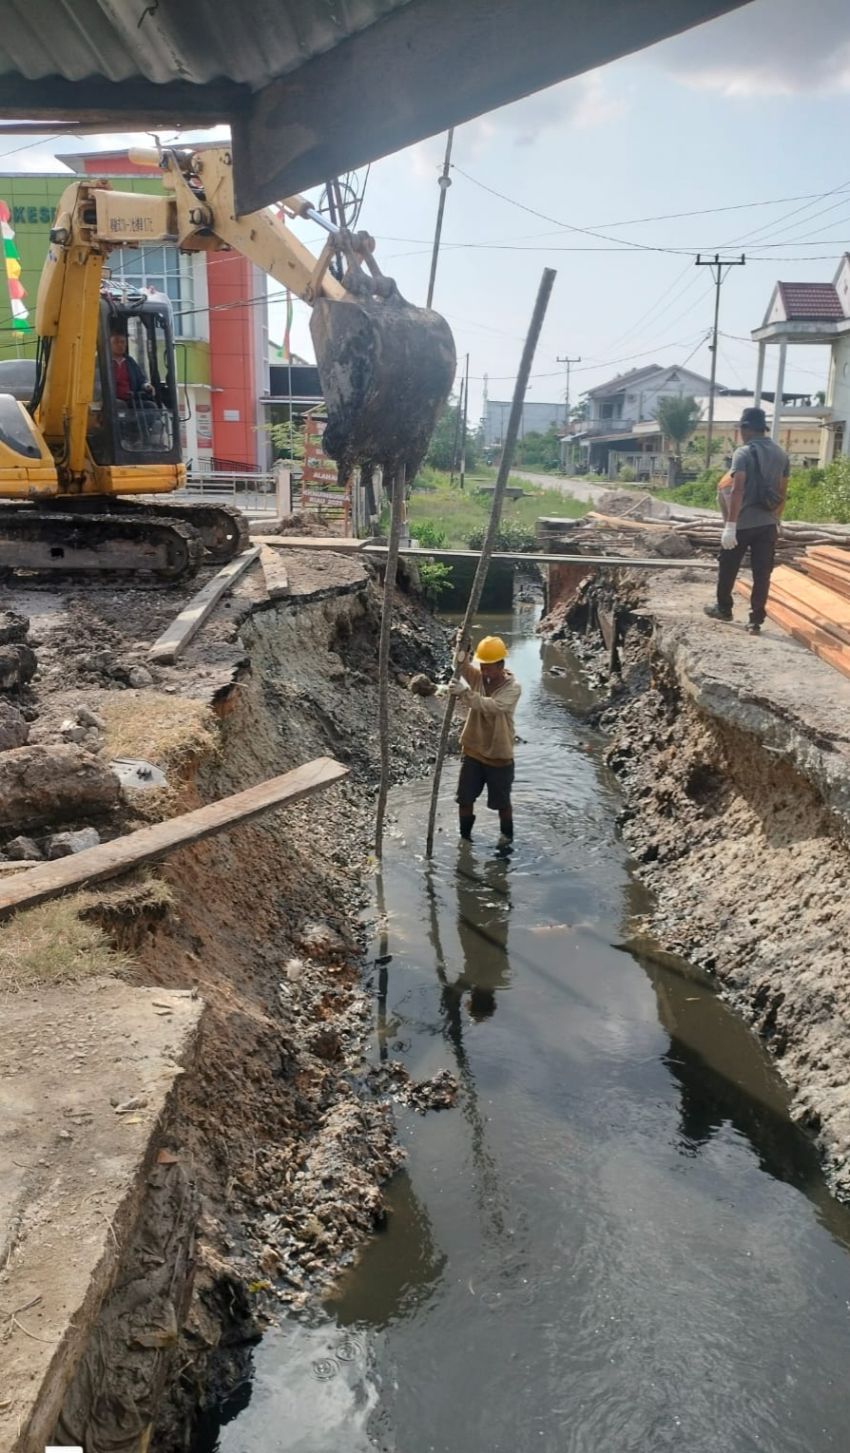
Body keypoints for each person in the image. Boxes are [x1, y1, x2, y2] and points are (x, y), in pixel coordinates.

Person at [704, 406, 789, 636]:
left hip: (743, 523)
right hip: (768, 524)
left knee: (728, 566)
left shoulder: (743, 453)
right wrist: (777, 519)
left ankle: (724, 608)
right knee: (762, 573)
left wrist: (730, 526)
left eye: (741, 429)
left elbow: (737, 489)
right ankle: (755, 621)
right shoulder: (781, 454)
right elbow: (782, 490)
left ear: (746, 428)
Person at [449, 634, 521, 846]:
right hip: (473, 752)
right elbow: (461, 666)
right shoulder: (480, 678)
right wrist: (462, 647)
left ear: (501, 666)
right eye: (483, 666)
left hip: (499, 756)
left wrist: (465, 694)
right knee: (464, 799)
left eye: (489, 668)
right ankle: (465, 839)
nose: (484, 671)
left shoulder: (513, 688)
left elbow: (494, 706)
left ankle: (506, 838)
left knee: (502, 804)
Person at [109, 325, 154, 405]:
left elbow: (141, 379)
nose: (120, 345)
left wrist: (146, 385)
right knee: (120, 405)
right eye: (116, 342)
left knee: (151, 406)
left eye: (122, 342)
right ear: (109, 344)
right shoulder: (102, 363)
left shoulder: (130, 362)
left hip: (131, 400)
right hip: (112, 402)